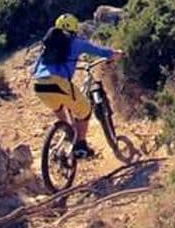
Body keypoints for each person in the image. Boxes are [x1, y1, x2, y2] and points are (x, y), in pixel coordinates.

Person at [32, 13, 124, 158]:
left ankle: (69, 134)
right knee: (86, 110)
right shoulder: (75, 41)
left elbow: (36, 66)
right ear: (74, 28)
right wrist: (115, 54)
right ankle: (81, 146)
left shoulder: (47, 44)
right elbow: (99, 51)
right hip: (58, 83)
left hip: (39, 84)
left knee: (60, 106)